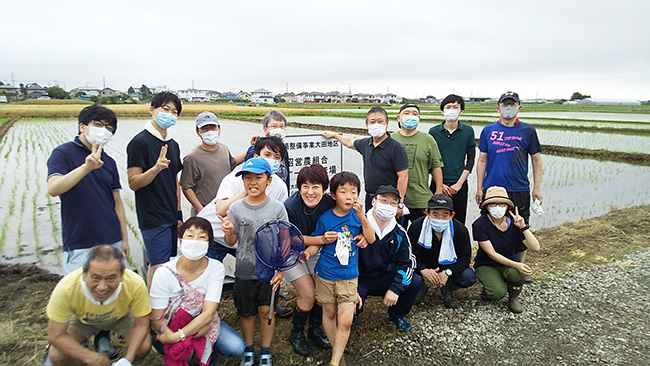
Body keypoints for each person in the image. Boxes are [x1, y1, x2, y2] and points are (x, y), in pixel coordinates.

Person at [149, 216, 245, 366]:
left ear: (209, 244)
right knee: (185, 353)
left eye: (201, 237)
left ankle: (206, 350)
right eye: (190, 235)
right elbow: (156, 319)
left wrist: (180, 335)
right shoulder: (164, 272)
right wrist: (173, 335)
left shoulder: (215, 267)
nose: (195, 241)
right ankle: (197, 352)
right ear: (180, 241)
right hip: (171, 325)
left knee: (236, 347)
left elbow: (208, 312)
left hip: (204, 321)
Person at [220, 157, 288, 366]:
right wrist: (228, 232)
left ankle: (265, 350)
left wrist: (281, 271)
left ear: (269, 180)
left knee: (266, 311)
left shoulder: (277, 208)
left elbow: (284, 241)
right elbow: (232, 241)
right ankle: (249, 349)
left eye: (258, 177)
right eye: (247, 178)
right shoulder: (236, 208)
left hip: (268, 271)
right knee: (246, 312)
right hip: (244, 270)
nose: (252, 182)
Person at [46, 105, 129, 275]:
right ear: (82, 127)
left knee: (110, 292)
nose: (103, 131)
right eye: (98, 125)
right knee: (78, 293)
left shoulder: (109, 161)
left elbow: (117, 202)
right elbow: (54, 188)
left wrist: (125, 239)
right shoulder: (63, 153)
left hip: (112, 239)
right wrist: (86, 168)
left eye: (108, 128)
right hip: (80, 241)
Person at [43, 245, 151, 366]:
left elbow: (141, 323)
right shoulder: (66, 289)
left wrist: (128, 360)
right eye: (95, 278)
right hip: (83, 320)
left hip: (121, 317)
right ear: (84, 273)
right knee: (57, 355)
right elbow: (55, 335)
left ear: (122, 275)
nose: (102, 287)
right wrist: (90, 358)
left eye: (111, 278)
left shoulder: (135, 284)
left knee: (143, 347)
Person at [475, 91, 543, 281]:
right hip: (493, 189)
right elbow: (482, 160)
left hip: (518, 188)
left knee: (519, 228)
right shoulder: (488, 130)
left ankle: (521, 267)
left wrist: (537, 187)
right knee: (490, 226)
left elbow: (537, 160)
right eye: (504, 104)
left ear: (519, 108)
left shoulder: (528, 131)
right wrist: (480, 187)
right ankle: (489, 265)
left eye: (512, 104)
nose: (508, 108)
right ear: (498, 108)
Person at [310, 171, 375, 366]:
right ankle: (338, 352)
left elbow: (370, 238)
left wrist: (362, 218)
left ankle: (334, 362)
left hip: (348, 276)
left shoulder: (358, 217)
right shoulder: (325, 218)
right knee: (328, 313)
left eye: (354, 192)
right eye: (343, 192)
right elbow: (317, 242)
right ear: (333, 195)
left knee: (346, 319)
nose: (349, 197)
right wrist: (307, 252)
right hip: (326, 275)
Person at [127, 91, 183, 287]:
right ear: (152, 110)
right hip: (152, 216)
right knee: (158, 266)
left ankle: (163, 307)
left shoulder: (173, 145)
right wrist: (155, 168)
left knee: (167, 264)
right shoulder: (139, 143)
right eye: (165, 109)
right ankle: (154, 311)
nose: (170, 114)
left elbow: (174, 180)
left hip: (170, 215)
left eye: (174, 112)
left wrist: (178, 213)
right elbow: (133, 182)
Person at [283, 164, 334, 356]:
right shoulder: (290, 206)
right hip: (291, 253)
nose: (310, 192)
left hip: (317, 252)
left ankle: (314, 329)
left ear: (324, 188)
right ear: (299, 187)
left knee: (323, 293)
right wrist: (320, 239)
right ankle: (296, 333)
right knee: (309, 295)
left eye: (316, 187)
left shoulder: (329, 203)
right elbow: (290, 239)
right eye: (305, 186)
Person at [356, 185, 421, 332]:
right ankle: (352, 314)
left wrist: (396, 289)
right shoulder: (358, 225)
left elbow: (409, 264)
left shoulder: (400, 233)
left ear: (398, 207)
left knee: (415, 281)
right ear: (373, 201)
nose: (388, 206)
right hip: (359, 278)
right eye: (384, 201)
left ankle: (397, 315)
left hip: (384, 276)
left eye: (393, 203)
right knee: (350, 306)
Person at [322, 106, 409, 215]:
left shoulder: (397, 148)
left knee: (392, 231)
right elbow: (350, 142)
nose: (376, 124)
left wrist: (399, 203)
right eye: (372, 122)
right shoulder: (366, 144)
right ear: (367, 124)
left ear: (386, 123)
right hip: (371, 199)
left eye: (380, 121)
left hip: (390, 201)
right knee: (370, 231)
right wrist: (335, 135)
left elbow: (403, 177)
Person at [472, 186, 540, 313]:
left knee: (517, 272)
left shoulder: (515, 224)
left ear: (507, 206)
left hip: (510, 262)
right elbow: (491, 253)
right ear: (487, 206)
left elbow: (535, 247)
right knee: (497, 293)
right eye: (493, 204)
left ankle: (513, 297)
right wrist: (516, 264)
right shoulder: (479, 224)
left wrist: (523, 228)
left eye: (501, 203)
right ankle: (490, 287)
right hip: (487, 264)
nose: (497, 207)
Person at [407, 194, 476, 309]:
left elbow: (465, 259)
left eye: (445, 216)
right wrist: (422, 270)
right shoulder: (416, 227)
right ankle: (420, 286)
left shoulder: (460, 230)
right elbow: (409, 254)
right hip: (424, 265)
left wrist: (447, 272)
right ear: (427, 213)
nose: (440, 219)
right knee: (409, 274)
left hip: (448, 265)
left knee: (469, 276)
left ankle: (448, 287)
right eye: (435, 214)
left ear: (451, 215)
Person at [180, 111, 244, 216]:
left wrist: (251, 150)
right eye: (205, 128)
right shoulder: (192, 158)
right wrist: (199, 208)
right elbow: (186, 187)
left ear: (219, 129)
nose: (209, 131)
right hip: (205, 210)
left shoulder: (224, 148)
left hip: (224, 207)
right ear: (198, 132)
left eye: (212, 127)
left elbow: (231, 163)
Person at [392, 103, 444, 225]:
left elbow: (436, 167)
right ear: (399, 118)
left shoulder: (427, 139)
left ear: (419, 119)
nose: (411, 116)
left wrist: (439, 191)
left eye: (415, 114)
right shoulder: (391, 139)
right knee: (397, 240)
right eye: (406, 113)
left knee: (422, 239)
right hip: (396, 201)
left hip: (421, 200)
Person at [428, 94, 476, 224]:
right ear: (442, 110)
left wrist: (459, 183)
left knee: (458, 222)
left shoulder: (468, 131)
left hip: (459, 186)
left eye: (455, 107)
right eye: (448, 107)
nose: (451, 110)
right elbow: (430, 161)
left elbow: (470, 160)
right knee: (436, 220)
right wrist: (440, 184)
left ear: (461, 111)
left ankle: (457, 245)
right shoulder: (433, 132)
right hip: (437, 185)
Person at [244, 110, 290, 193]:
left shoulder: (283, 150)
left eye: (282, 126)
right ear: (265, 129)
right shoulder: (254, 150)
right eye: (274, 126)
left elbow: (287, 176)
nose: (278, 130)